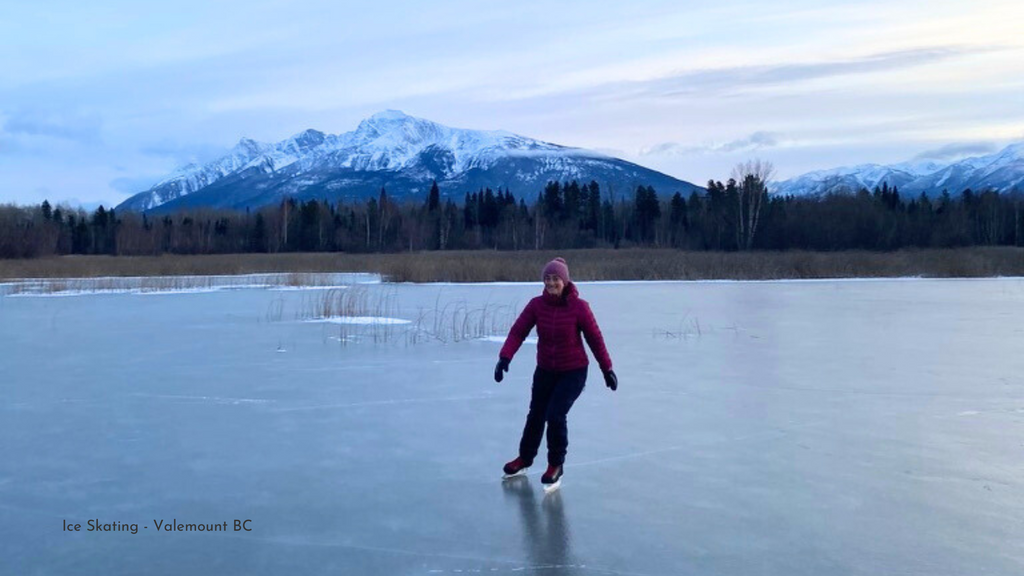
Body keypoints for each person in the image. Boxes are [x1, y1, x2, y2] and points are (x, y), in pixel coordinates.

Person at [494, 257, 617, 488]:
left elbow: (595, 339)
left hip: (573, 371)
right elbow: (518, 331)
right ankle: (525, 458)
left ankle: (556, 465)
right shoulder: (536, 305)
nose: (551, 283)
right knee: (536, 414)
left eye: (555, 279)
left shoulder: (579, 308)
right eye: (547, 279)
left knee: (555, 414)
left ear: (565, 280)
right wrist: (505, 357)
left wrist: (606, 369)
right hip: (545, 371)